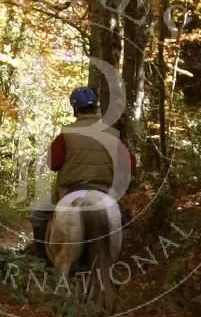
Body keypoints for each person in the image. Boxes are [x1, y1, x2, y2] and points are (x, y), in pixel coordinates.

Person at [25, 86, 135, 257]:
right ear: (96, 108)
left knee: (38, 218)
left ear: (75, 108)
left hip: (69, 191)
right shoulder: (112, 134)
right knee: (126, 221)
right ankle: (121, 261)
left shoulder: (66, 135)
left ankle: (43, 262)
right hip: (105, 190)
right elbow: (130, 165)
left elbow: (53, 164)